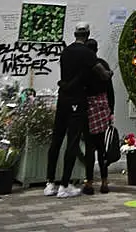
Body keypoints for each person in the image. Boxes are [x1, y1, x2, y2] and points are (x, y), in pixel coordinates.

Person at [44, 22, 112, 198]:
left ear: (74, 34)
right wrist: (109, 74)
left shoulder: (65, 52)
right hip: (77, 101)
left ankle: (50, 182)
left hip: (62, 98)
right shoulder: (88, 55)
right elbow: (102, 74)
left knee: (56, 140)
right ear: (88, 34)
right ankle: (64, 185)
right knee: (73, 142)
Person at [82, 38, 114, 195]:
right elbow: (110, 90)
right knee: (102, 147)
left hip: (89, 108)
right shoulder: (104, 65)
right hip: (103, 107)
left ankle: (89, 182)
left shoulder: (85, 67)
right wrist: (111, 110)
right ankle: (104, 181)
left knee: (89, 147)